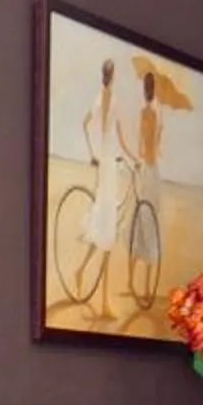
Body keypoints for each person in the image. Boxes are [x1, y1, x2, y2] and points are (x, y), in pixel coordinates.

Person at [82, 58, 135, 323]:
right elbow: (119, 138)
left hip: (104, 165)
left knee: (103, 228)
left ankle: (82, 272)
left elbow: (86, 125)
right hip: (108, 170)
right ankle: (103, 302)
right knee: (108, 232)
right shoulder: (111, 100)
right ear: (112, 77)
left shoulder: (97, 98)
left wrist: (93, 153)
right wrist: (130, 158)